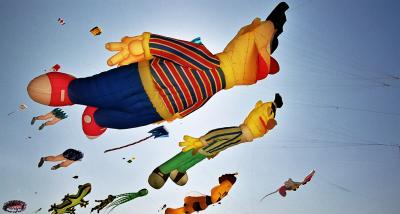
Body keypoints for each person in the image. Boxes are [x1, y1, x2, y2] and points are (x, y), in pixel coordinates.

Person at [26, 3, 289, 139]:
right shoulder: (206, 59)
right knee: (95, 90)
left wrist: (173, 115)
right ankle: (70, 91)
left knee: (113, 120)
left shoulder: (213, 90)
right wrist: (145, 45)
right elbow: (177, 49)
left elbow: (195, 104)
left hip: (152, 110)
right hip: (141, 80)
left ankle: (99, 119)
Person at [149, 94, 283, 189]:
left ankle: (179, 170)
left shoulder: (242, 138)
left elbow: (227, 144)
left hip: (210, 150)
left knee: (196, 159)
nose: (268, 123)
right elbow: (218, 133)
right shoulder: (238, 131)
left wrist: (216, 151)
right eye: (268, 114)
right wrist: (202, 141)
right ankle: (162, 170)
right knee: (188, 154)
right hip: (206, 144)